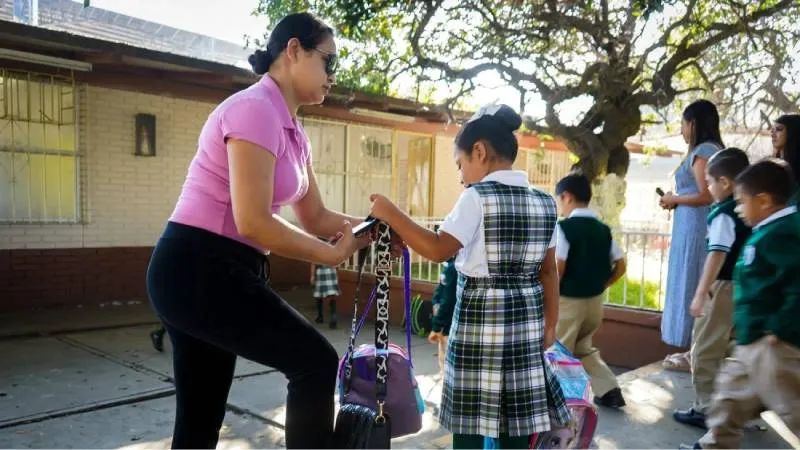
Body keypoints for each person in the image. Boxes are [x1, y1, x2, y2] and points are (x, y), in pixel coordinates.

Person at [145, 13, 375, 449]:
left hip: (219, 271)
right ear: (293, 51)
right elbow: (253, 221)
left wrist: (371, 230)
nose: (333, 76)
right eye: (330, 62)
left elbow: (317, 217)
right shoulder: (254, 110)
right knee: (314, 362)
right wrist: (330, 255)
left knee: (200, 421)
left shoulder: (292, 129)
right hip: (199, 267)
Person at [369, 104, 570, 449]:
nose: (461, 176)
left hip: (478, 326)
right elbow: (548, 271)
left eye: (460, 164)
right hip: (526, 327)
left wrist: (390, 212)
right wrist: (550, 324)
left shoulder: (475, 198)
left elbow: (437, 249)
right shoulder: (545, 203)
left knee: (469, 424)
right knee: (516, 422)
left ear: (479, 152)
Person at [683, 159, 800, 449]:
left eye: (741, 201)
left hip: (775, 346)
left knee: (793, 410)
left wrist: (779, 328)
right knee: (727, 403)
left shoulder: (785, 232)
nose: (737, 208)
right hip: (751, 344)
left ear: (764, 201)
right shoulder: (766, 230)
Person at [673, 148, 751, 429]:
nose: (707, 188)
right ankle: (740, 408)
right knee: (734, 348)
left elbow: (717, 253)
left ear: (726, 183)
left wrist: (700, 291)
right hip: (744, 286)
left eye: (709, 182)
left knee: (704, 349)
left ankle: (705, 408)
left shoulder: (723, 214)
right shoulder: (749, 209)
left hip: (722, 287)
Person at [659, 99, 724, 370]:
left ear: (694, 123)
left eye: (684, 124)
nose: (683, 130)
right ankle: (692, 350)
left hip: (696, 227)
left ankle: (692, 351)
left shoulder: (702, 152)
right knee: (693, 280)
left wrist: (675, 199)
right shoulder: (716, 150)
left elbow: (706, 195)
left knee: (691, 280)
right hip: (693, 225)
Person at [553, 173, 627, 409]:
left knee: (560, 350)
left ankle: (568, 400)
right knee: (583, 348)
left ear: (567, 197)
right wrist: (603, 284)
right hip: (595, 302)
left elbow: (559, 267)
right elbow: (621, 264)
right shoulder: (602, 230)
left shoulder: (564, 228)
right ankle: (609, 389)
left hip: (568, 303)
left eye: (559, 200)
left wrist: (548, 293)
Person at [428, 255, 457, 378]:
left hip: (448, 326)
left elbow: (448, 300)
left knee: (447, 364)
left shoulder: (453, 269)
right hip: (447, 324)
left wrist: (436, 326)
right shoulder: (450, 265)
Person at [310, 237, 340, 329]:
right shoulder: (333, 245)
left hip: (321, 271)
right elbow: (337, 261)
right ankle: (333, 315)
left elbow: (313, 261)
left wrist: (312, 275)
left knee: (319, 294)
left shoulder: (317, 245)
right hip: (331, 271)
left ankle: (320, 317)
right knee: (332, 294)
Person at [771, 114, 800, 205]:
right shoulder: (772, 163)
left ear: (793, 132)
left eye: (779, 129)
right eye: (772, 129)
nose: (772, 134)